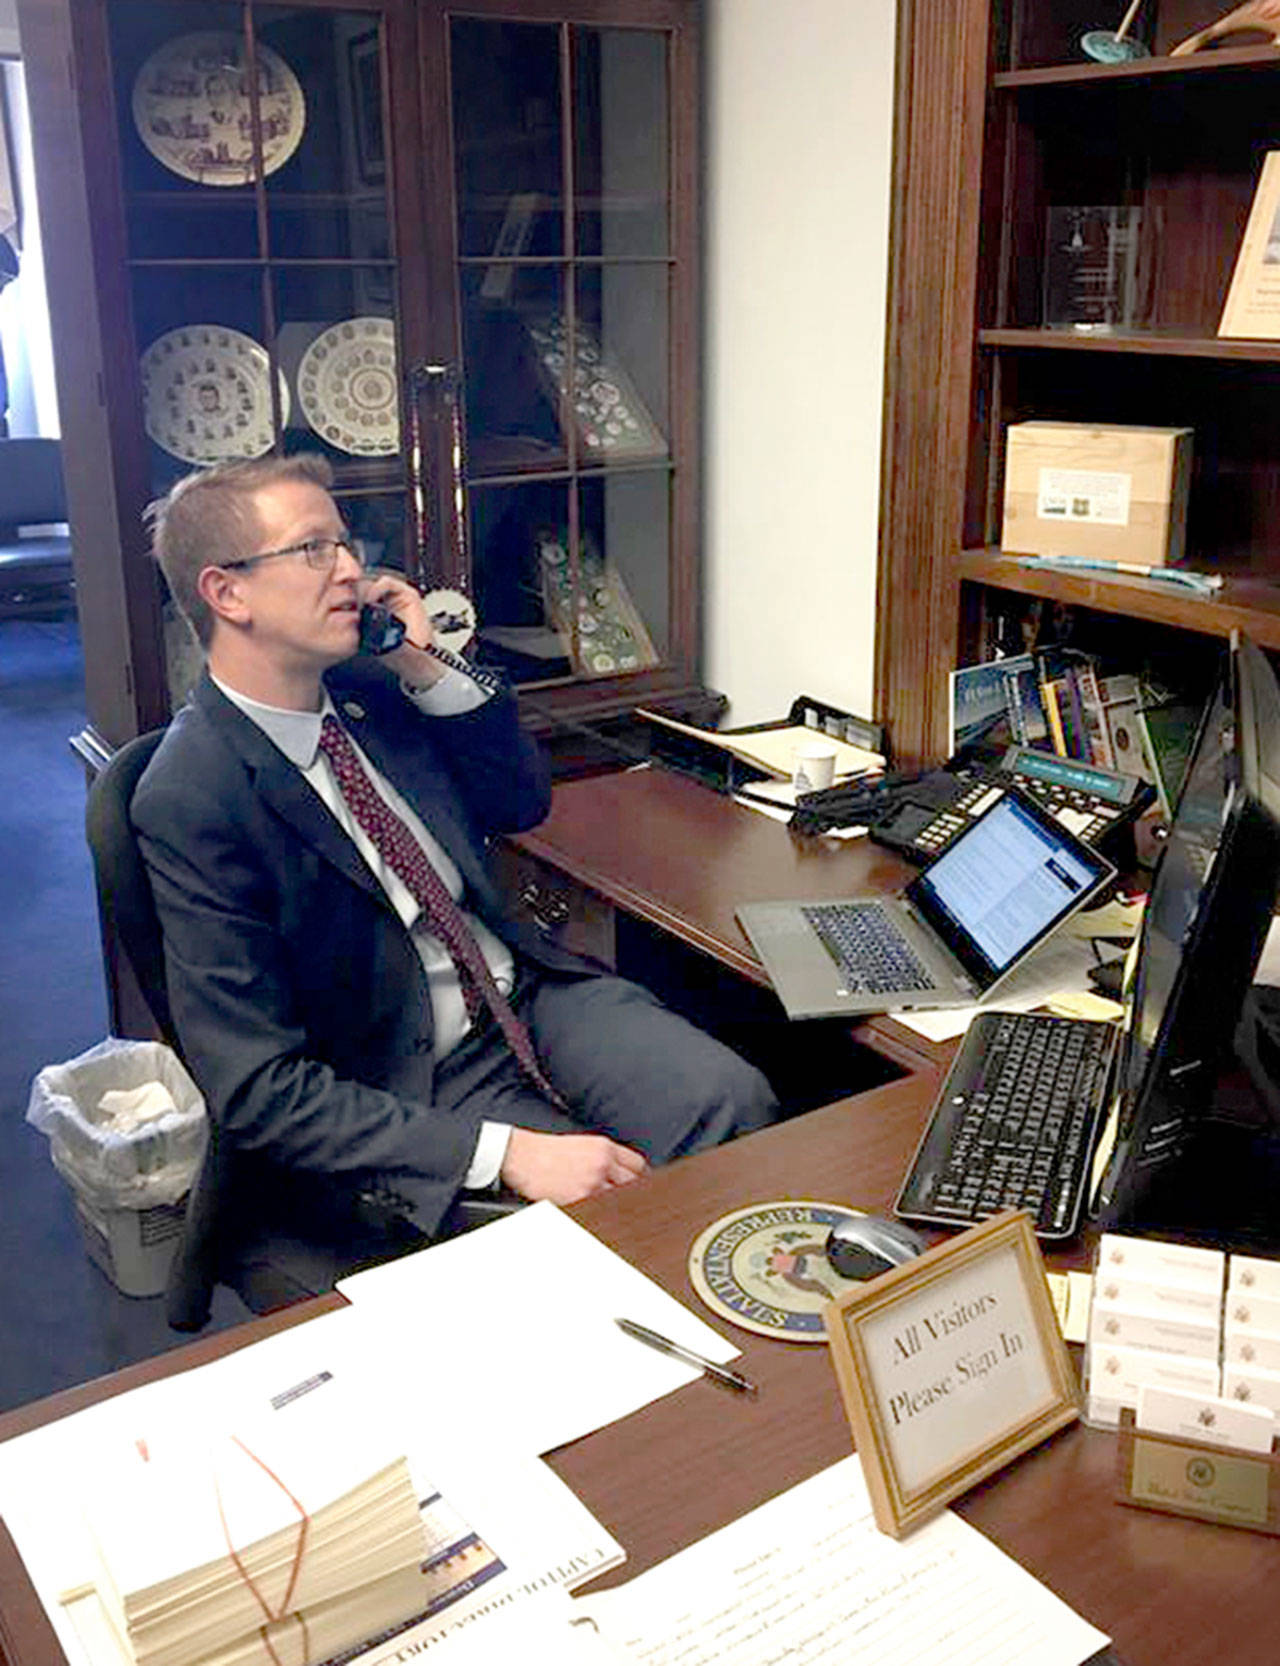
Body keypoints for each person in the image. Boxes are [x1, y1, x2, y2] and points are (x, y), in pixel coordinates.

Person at [133, 454, 777, 1325]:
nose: (354, 570)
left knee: (729, 1102)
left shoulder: (370, 693)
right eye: (314, 549)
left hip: (520, 992)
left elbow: (520, 799)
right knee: (599, 1221)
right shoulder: (193, 794)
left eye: (346, 543)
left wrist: (426, 664)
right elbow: (256, 1090)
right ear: (228, 593)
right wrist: (503, 1153)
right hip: (402, 1067)